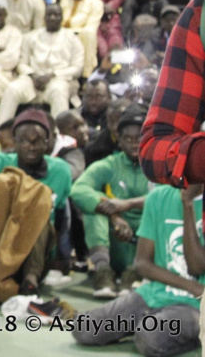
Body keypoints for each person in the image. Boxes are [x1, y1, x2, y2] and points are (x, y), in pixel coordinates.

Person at [71, 183, 203, 356]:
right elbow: (142, 263)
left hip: (195, 305)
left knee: (150, 338)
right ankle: (149, 322)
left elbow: (197, 266)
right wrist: (190, 286)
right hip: (155, 294)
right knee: (84, 328)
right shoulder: (158, 196)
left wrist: (188, 204)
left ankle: (196, 333)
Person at [70, 104, 150, 298]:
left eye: (139, 138)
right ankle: (103, 272)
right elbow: (78, 189)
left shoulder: (158, 166)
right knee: (94, 210)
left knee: (159, 214)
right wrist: (114, 214)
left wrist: (127, 204)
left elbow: (169, 196)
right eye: (127, 139)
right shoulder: (109, 164)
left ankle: (135, 274)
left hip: (146, 243)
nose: (133, 144)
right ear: (119, 141)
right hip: (114, 240)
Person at [0, 109, 72, 297]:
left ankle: (31, 279)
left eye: (37, 141)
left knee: (38, 217)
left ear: (47, 142)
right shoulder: (0, 161)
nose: (30, 147)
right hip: (3, 239)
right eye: (24, 140)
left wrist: (62, 257)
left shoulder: (60, 170)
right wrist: (9, 184)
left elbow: (62, 217)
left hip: (40, 250)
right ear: (14, 142)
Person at [0, 4, 84, 125]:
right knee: (12, 89)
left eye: (56, 15)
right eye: (49, 15)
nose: (53, 18)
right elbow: (21, 64)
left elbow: (77, 68)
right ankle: (0, 134)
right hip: (32, 80)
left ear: (62, 17)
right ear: (44, 17)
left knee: (59, 91)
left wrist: (52, 75)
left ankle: (58, 137)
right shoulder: (31, 36)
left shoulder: (72, 39)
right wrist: (33, 75)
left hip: (58, 80)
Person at [58, 0, 105, 78]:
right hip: (59, 34)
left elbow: (91, 27)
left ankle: (86, 76)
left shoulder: (96, 3)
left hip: (80, 36)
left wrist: (70, 32)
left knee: (89, 34)